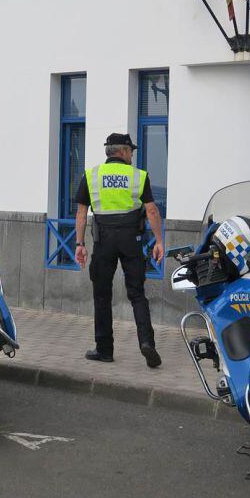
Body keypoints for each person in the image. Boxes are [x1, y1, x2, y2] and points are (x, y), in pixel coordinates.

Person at [74, 133, 165, 367]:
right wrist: (158, 241)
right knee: (136, 293)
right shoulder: (138, 176)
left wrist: (79, 244)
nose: (132, 155)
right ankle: (147, 343)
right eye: (131, 151)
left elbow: (82, 213)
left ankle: (104, 350)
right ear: (123, 151)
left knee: (102, 295)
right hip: (130, 239)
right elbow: (152, 210)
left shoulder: (91, 175)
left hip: (104, 240)